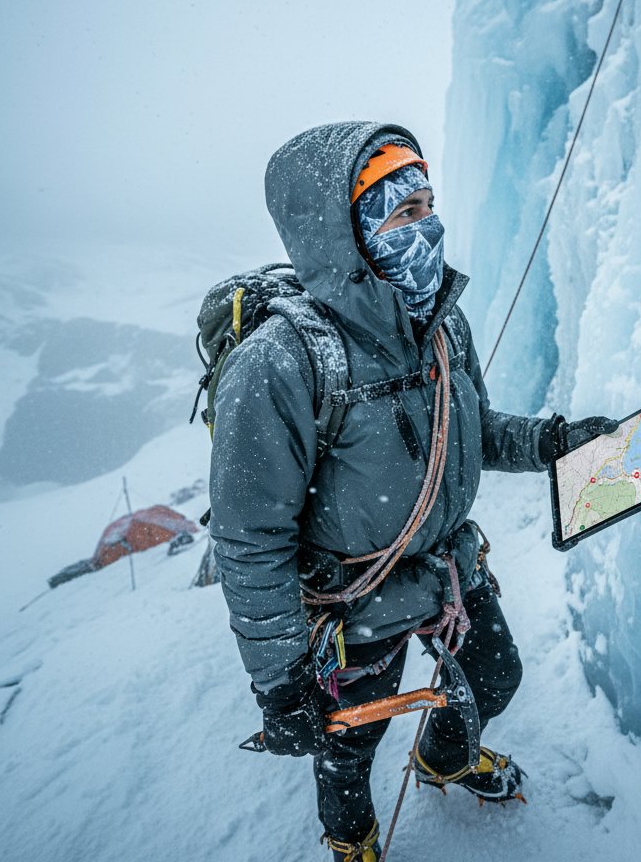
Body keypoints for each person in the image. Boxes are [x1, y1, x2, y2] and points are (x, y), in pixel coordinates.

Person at [208, 121, 617, 862]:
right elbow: (249, 537)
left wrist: (554, 442)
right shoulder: (280, 361)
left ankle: (443, 759)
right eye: (403, 213)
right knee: (350, 746)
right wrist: (280, 681)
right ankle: (353, 841)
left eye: (427, 204)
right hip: (348, 599)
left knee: (495, 676)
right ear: (348, 233)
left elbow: (474, 429)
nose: (425, 226)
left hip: (448, 568)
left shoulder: (437, 322)